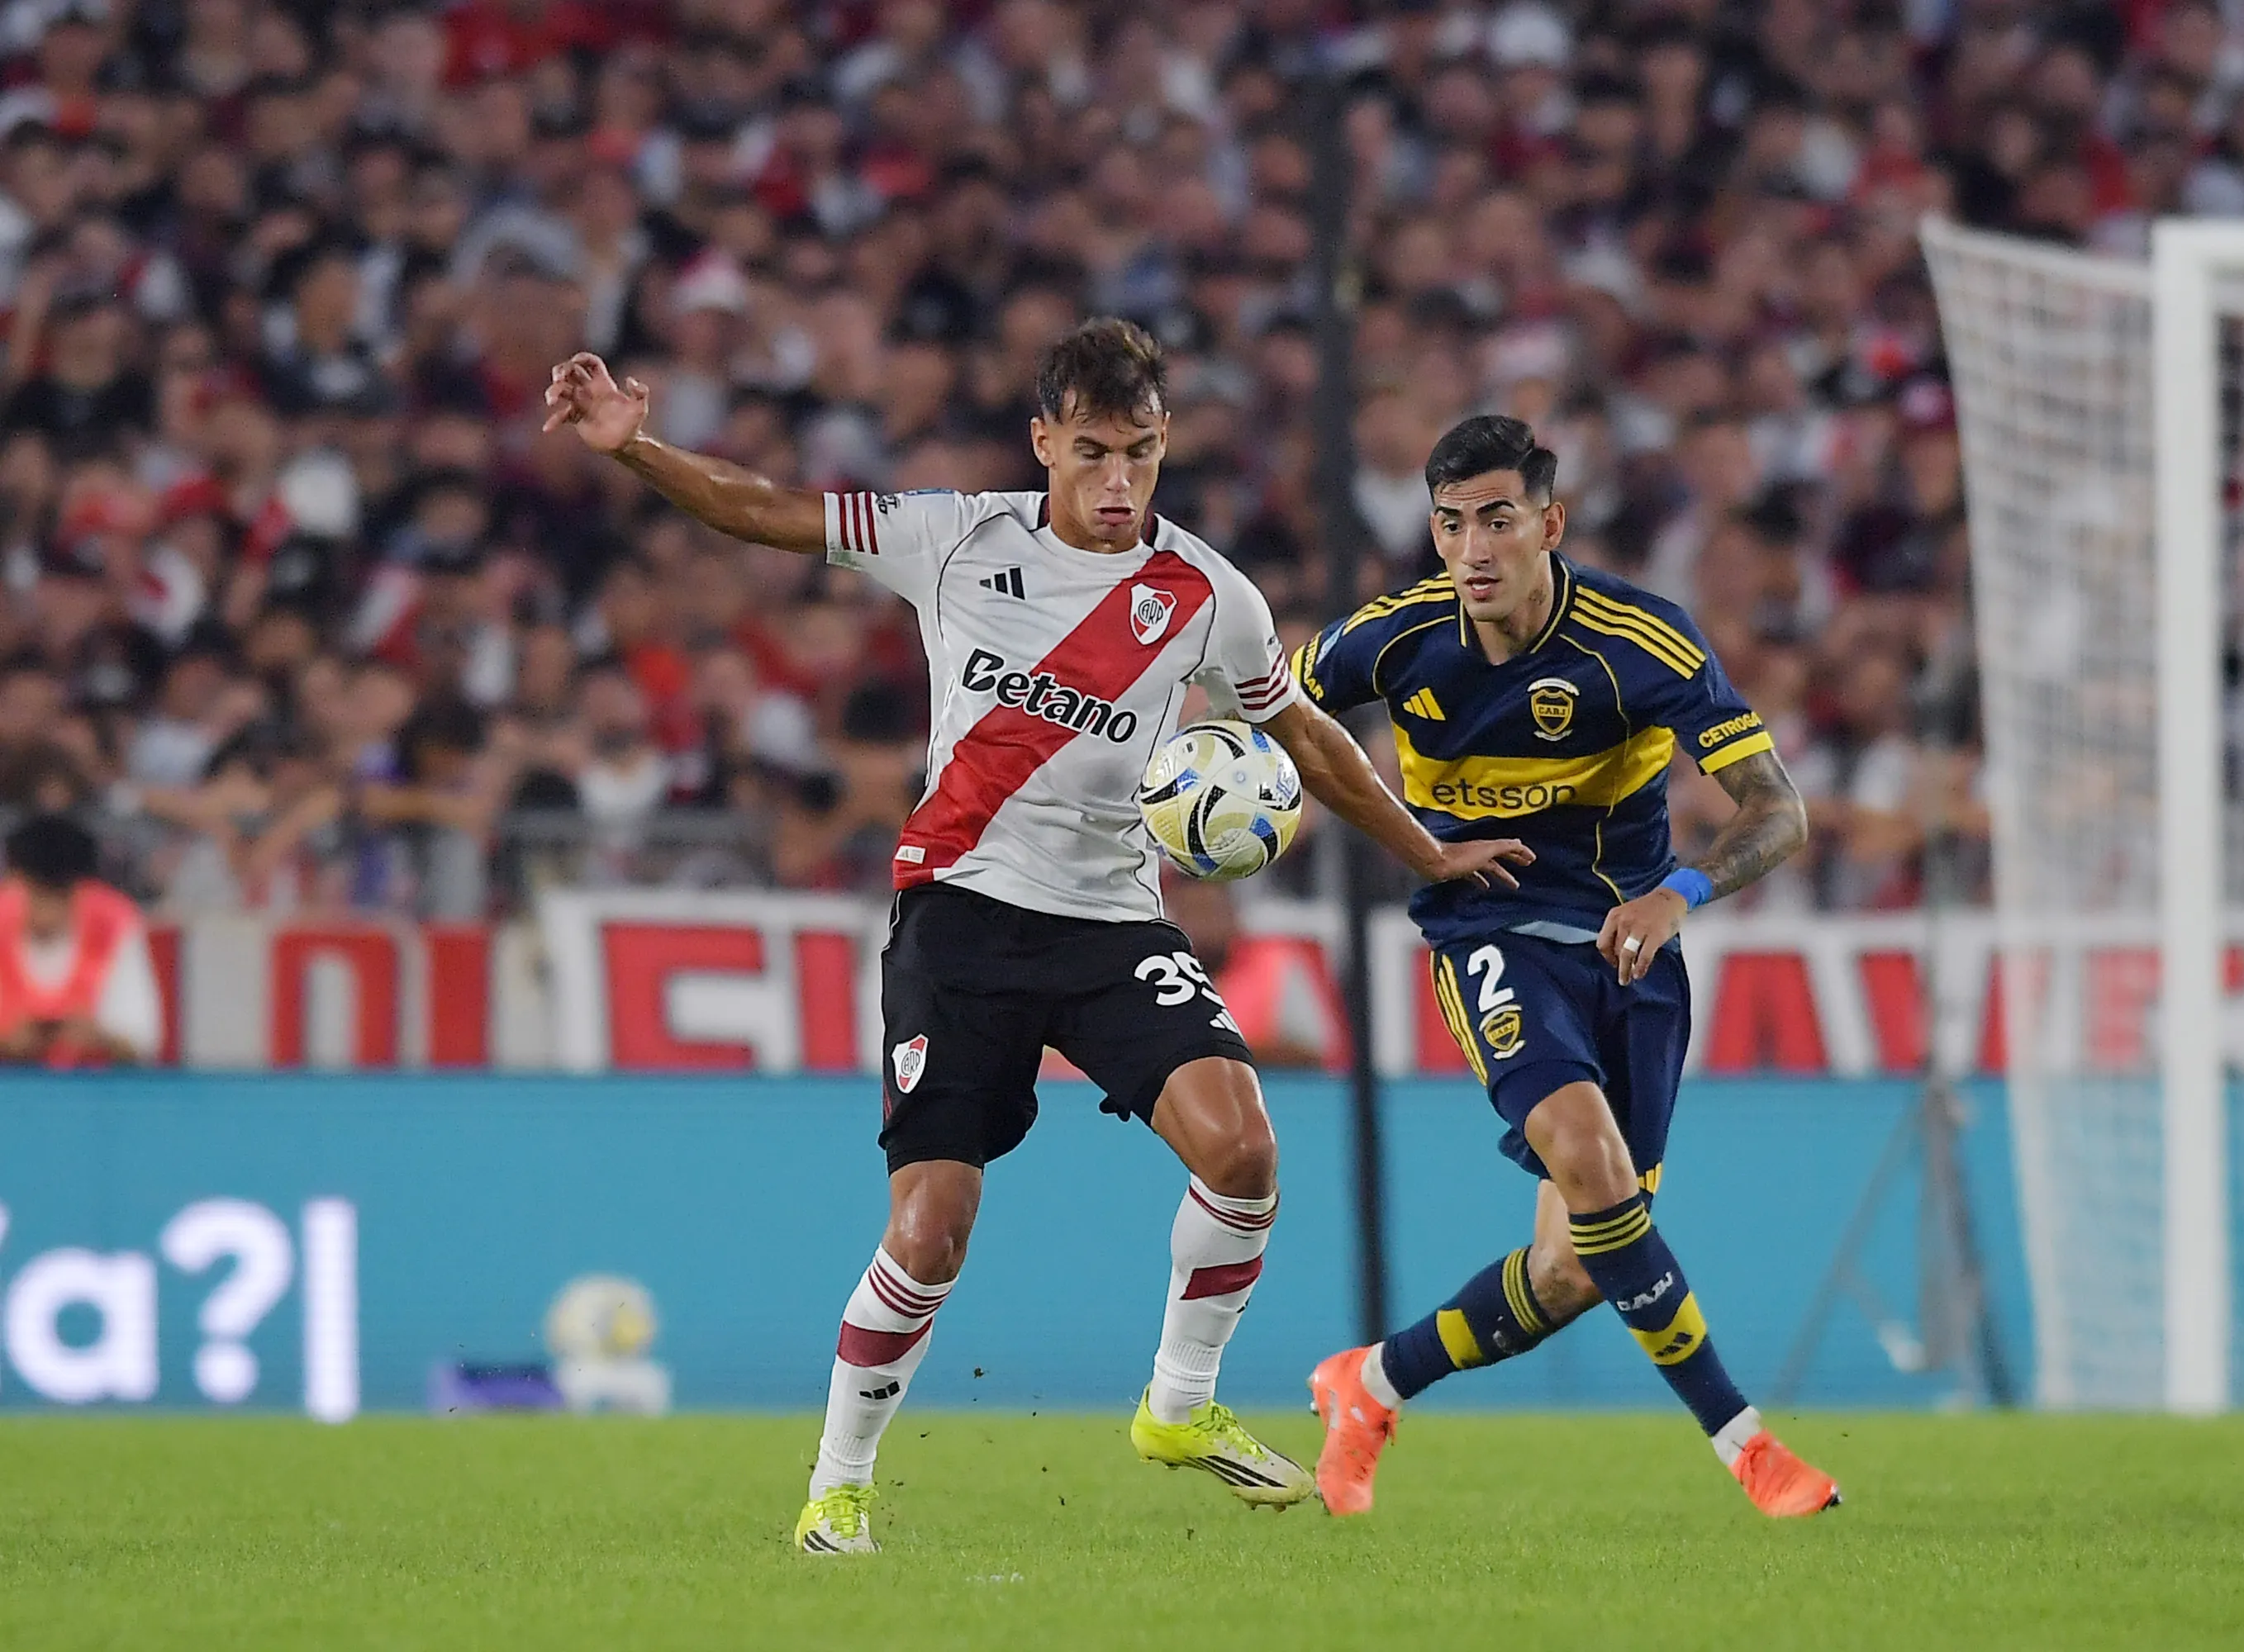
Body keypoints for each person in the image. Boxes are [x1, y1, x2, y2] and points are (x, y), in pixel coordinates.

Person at [543, 320, 1528, 1554]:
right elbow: (765, 511)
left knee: (1243, 1150)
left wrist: (1427, 851)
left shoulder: (1208, 596)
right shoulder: (955, 538)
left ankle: (1179, 1408)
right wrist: (636, 449)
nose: (1120, 485)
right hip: (959, 917)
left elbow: (1311, 741)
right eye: (1096, 454)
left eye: (1145, 454)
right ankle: (838, 1484)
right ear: (1045, 442)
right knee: (930, 1229)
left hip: (1113, 921)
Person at [1298, 415, 1838, 1519]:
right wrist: (1218, 779)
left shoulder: (1642, 642)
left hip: (1626, 946)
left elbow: (1778, 811)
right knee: (1590, 1163)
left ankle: (1373, 1380)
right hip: (1486, 928)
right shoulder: (1392, 641)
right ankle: (1748, 1448)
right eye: (1451, 525)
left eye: (1498, 520)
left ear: (1550, 523)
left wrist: (1678, 892)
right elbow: (1270, 706)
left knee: (1576, 1267)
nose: (1473, 550)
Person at [0, 814, 161, 1066]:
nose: (46, 909)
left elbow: (142, 1042)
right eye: (36, 892)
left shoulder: (114, 923)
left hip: (95, 1095)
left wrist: (101, 1038)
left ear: (81, 889)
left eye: (57, 894)